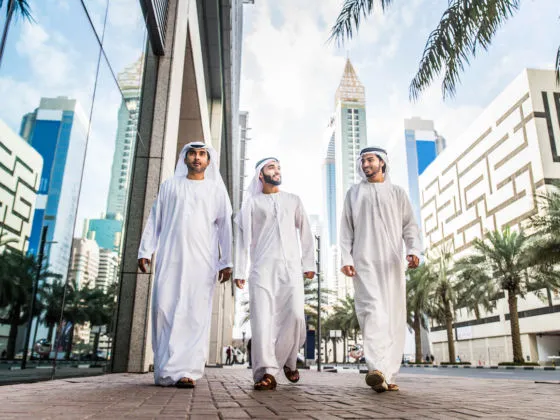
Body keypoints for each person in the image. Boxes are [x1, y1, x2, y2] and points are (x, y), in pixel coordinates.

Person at [138, 142, 233, 388]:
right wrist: (145, 251)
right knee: (164, 309)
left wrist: (226, 262)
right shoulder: (169, 186)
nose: (197, 158)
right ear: (184, 158)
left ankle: (188, 371)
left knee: (195, 313)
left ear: (209, 161)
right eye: (192, 153)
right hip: (170, 258)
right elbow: (155, 219)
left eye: (202, 154)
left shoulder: (216, 190)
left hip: (202, 262)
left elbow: (225, 228)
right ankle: (165, 369)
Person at [340, 146, 421, 393]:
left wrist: (414, 250)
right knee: (372, 311)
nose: (365, 164)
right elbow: (346, 229)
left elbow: (410, 225)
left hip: (392, 264)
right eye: (363, 161)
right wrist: (346, 258)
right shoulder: (354, 193)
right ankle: (376, 369)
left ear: (382, 162)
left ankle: (388, 373)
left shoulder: (397, 193)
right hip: (364, 261)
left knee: (394, 316)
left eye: (370, 160)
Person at [234, 157, 315, 391]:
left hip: (291, 270)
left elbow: (306, 232)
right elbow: (242, 239)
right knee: (263, 321)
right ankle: (267, 372)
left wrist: (308, 263)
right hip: (262, 269)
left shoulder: (293, 200)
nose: (277, 171)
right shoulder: (251, 203)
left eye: (279, 167)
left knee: (296, 316)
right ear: (260, 174)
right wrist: (240, 269)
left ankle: (289, 358)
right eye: (272, 167)